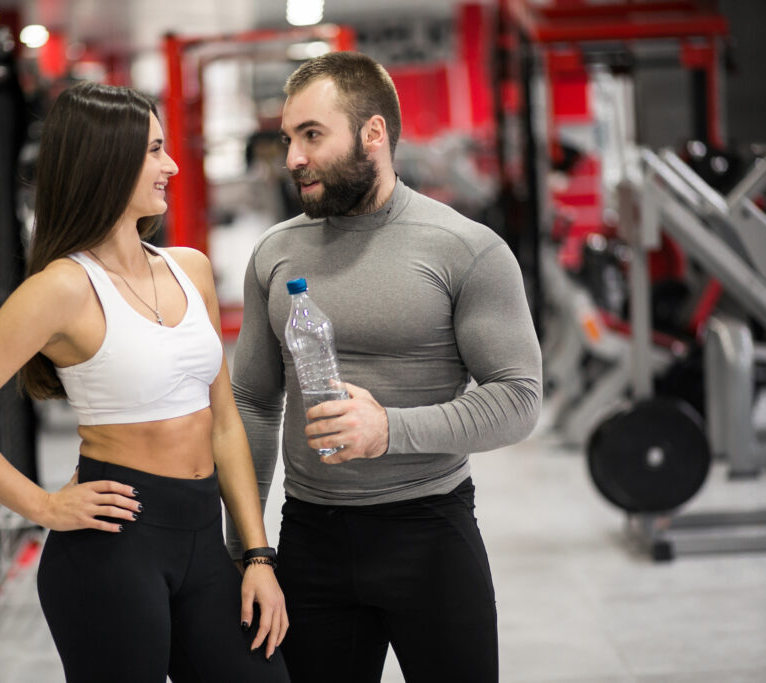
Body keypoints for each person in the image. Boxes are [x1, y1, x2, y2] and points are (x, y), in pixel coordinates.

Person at [0, 82, 289, 682]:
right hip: (113, 548)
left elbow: (224, 424)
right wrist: (41, 504)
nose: (172, 166)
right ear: (106, 161)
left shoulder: (189, 269)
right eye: (155, 150)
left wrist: (257, 554)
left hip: (203, 541)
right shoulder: (61, 289)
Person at [226, 52, 542, 682]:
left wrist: (389, 430)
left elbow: (518, 398)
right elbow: (255, 401)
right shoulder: (275, 252)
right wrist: (248, 550)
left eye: (311, 135)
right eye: (288, 139)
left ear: (372, 133)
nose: (292, 158)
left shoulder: (466, 248)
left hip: (429, 532)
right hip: (310, 536)